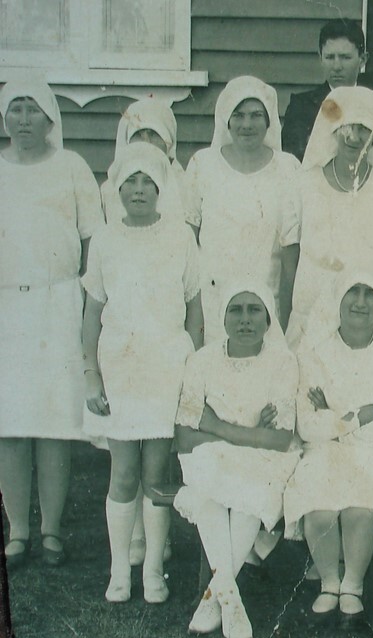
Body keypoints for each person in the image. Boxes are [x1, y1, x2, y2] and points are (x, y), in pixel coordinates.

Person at [82, 143, 204, 603]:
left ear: (160, 189)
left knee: (156, 473)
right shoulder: (104, 239)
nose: (138, 190)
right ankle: (119, 571)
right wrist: (91, 374)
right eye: (130, 182)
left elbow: (194, 308)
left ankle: (153, 570)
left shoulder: (180, 237)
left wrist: (192, 370)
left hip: (166, 366)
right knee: (124, 473)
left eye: (147, 182)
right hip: (121, 366)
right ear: (116, 189)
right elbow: (91, 314)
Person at [0, 80, 104, 570]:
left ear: (49, 118)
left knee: (55, 423)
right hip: (7, 306)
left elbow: (93, 241)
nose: (23, 120)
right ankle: (18, 530)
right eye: (15, 109)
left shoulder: (72, 168)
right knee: (10, 424)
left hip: (59, 302)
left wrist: (85, 301)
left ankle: (51, 530)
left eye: (32, 110)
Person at [283, 263, 373, 626]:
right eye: (353, 292)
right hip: (324, 448)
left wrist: (334, 416)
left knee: (359, 506)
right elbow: (308, 425)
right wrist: (358, 417)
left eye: (370, 294)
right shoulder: (315, 351)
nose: (360, 302)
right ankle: (329, 582)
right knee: (319, 504)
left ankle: (352, 585)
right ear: (338, 298)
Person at [173, 283, 300, 638]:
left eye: (254, 310)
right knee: (209, 481)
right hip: (211, 456)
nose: (245, 319)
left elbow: (279, 439)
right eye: (236, 310)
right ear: (223, 317)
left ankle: (214, 599)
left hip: (262, 460)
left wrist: (217, 426)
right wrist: (251, 433)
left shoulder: (282, 361)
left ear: (268, 318)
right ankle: (230, 600)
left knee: (250, 484)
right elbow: (185, 436)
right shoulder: (202, 361)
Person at [286, 86, 373, 348]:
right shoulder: (303, 184)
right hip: (308, 319)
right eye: (346, 127)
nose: (354, 137)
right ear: (333, 130)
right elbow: (289, 260)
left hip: (362, 325)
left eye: (364, 129)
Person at [186, 76, 301, 343]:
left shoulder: (288, 168)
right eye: (238, 115)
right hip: (211, 306)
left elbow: (290, 256)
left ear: (269, 120)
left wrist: (285, 326)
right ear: (226, 120)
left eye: (256, 115)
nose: (247, 124)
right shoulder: (202, 164)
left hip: (265, 308)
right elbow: (187, 245)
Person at [101, 98, 198, 230]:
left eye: (153, 134)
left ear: (168, 141)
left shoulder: (185, 187)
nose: (146, 140)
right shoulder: (109, 190)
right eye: (139, 134)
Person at [281, 19, 367, 162]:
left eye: (345, 57)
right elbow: (293, 160)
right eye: (330, 57)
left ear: (363, 59)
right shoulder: (301, 107)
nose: (337, 66)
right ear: (321, 58)